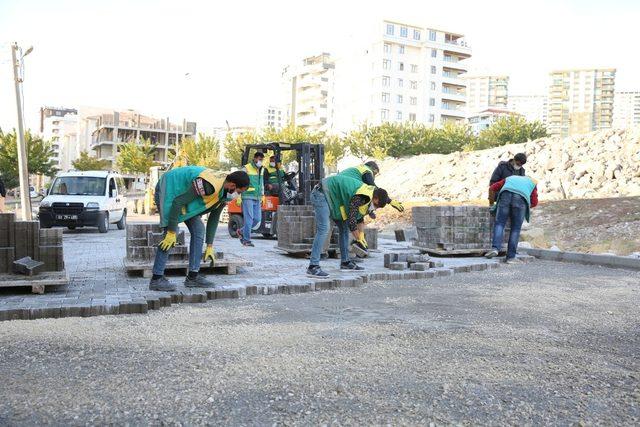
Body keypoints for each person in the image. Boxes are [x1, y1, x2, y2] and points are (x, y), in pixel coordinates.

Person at [150, 167, 250, 291]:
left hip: (183, 194)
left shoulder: (226, 192)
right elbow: (177, 202)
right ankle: (156, 278)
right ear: (233, 185)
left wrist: (209, 245)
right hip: (170, 187)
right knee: (170, 235)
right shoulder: (209, 184)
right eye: (239, 192)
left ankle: (193, 277)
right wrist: (171, 231)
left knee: (198, 230)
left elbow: (214, 217)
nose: (238, 195)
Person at [306, 174, 389, 278]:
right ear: (375, 199)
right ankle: (313, 266)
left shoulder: (370, 194)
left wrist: (361, 236)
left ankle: (345, 262)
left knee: (344, 228)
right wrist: (358, 239)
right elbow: (352, 221)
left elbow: (359, 218)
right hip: (321, 194)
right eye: (376, 206)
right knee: (324, 228)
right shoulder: (362, 196)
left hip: (333, 198)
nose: (375, 208)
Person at [338, 161, 404, 256]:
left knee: (349, 222)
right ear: (372, 169)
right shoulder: (366, 170)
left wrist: (361, 234)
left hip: (344, 193)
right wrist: (390, 201)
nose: (374, 176)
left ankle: (347, 251)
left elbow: (359, 209)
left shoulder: (358, 175)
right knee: (345, 225)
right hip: (341, 188)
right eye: (375, 173)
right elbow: (375, 189)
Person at [485, 175, 538, 263]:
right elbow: (534, 202)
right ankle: (510, 257)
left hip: (505, 196)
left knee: (500, 223)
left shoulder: (510, 178)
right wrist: (522, 208)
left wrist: (491, 204)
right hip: (521, 199)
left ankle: (495, 248)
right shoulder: (532, 182)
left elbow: (492, 188)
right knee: (515, 229)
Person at [236, 152, 265, 247]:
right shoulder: (246, 168)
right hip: (247, 196)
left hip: (257, 197)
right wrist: (239, 196)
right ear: (255, 158)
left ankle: (240, 231)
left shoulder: (262, 169)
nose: (260, 161)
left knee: (257, 220)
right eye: (259, 159)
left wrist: (263, 195)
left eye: (262, 160)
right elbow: (239, 181)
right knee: (249, 220)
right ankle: (246, 240)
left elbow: (262, 183)